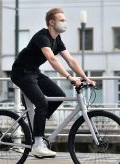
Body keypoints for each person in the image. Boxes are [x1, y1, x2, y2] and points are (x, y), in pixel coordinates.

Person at [10, 8, 96, 158]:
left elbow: (71, 60)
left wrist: (85, 78)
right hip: (21, 73)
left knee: (59, 95)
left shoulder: (57, 39)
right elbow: (52, 59)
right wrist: (70, 78)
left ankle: (38, 123)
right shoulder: (42, 36)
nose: (65, 23)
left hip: (34, 72)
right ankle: (37, 144)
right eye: (62, 20)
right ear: (51, 22)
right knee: (42, 103)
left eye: (65, 20)